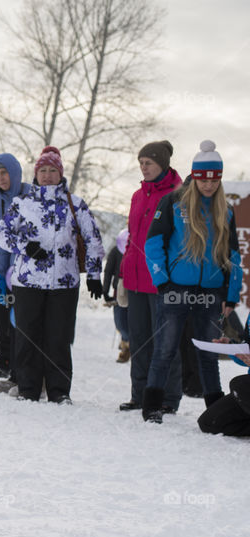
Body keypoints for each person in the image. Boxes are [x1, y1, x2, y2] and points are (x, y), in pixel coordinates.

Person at [142, 140, 242, 423]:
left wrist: (230, 295)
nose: (208, 185)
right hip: (176, 289)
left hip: (211, 293)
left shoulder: (226, 210)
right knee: (165, 349)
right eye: (203, 178)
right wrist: (162, 281)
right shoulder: (174, 202)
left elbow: (233, 256)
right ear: (195, 176)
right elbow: (153, 243)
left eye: (214, 179)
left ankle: (215, 409)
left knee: (208, 353)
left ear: (219, 179)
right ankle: (152, 407)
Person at [0, 146, 105, 403]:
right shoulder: (22, 203)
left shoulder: (75, 204)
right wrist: (25, 246)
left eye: (52, 170)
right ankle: (28, 389)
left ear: (60, 173)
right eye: (42, 170)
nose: (47, 175)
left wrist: (94, 274)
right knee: (27, 336)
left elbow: (92, 239)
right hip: (28, 281)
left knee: (58, 337)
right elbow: (1, 233)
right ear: (35, 174)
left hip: (64, 283)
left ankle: (59, 391)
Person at [119, 140, 184, 413]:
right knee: (139, 338)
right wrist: (123, 270)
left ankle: (167, 398)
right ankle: (140, 394)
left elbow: (180, 240)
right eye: (141, 163)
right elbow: (133, 236)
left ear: (163, 165)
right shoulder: (137, 195)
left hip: (161, 280)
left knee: (165, 340)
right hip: (134, 279)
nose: (143, 168)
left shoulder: (178, 195)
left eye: (149, 163)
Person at [0, 154, 29, 388]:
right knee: (11, 325)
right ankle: (15, 376)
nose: (1, 178)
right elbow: (0, 244)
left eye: (4, 173)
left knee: (27, 326)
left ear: (14, 172)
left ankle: (31, 379)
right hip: (11, 274)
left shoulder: (31, 195)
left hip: (33, 271)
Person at [103, 229, 130, 363]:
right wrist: (105, 291)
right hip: (118, 291)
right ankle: (127, 341)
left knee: (134, 322)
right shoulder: (115, 250)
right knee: (120, 323)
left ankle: (127, 348)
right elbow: (108, 271)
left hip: (136, 290)